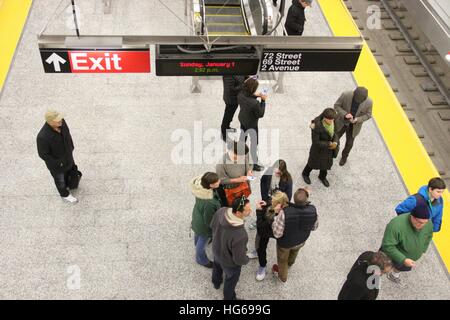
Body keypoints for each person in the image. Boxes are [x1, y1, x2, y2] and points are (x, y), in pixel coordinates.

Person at [381, 196, 433, 284]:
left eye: (425, 223)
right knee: (380, 268)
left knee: (400, 268)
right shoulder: (395, 225)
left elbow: (429, 236)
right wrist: (403, 259)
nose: (422, 225)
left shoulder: (428, 223)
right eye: (419, 222)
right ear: (412, 216)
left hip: (409, 259)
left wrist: (424, 249)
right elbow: (387, 246)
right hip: (392, 256)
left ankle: (394, 275)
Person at [272, 188, 318, 282]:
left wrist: (274, 218)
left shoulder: (284, 213)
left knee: (282, 260)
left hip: (286, 244)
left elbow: (277, 234)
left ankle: (283, 277)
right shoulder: (313, 210)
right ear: (306, 199)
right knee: (295, 250)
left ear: (294, 198)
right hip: (301, 240)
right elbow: (314, 227)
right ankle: (290, 262)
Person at [211, 196, 252, 300]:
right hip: (229, 263)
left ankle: (216, 282)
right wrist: (246, 259)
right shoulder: (240, 235)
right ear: (238, 213)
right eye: (247, 210)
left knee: (217, 266)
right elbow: (239, 259)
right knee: (230, 280)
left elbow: (212, 226)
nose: (250, 211)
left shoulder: (221, 211)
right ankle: (229, 298)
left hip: (216, 250)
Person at [37, 110, 77, 203]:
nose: (61, 121)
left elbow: (68, 134)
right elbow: (43, 154)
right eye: (57, 120)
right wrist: (59, 162)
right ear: (50, 122)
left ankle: (70, 183)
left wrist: (71, 147)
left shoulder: (62, 123)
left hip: (68, 155)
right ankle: (65, 195)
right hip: (57, 165)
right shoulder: (42, 137)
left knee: (70, 170)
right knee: (60, 180)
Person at [334, 86, 373, 166]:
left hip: (354, 126)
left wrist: (357, 119)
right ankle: (331, 153)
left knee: (349, 143)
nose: (358, 102)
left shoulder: (369, 102)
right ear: (353, 94)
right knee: (335, 138)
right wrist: (345, 114)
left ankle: (344, 157)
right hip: (341, 122)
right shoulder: (345, 95)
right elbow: (336, 106)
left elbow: (368, 115)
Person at [254, 191, 289, 281]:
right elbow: (272, 204)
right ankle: (261, 262)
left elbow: (260, 229)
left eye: (273, 202)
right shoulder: (283, 205)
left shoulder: (278, 218)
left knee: (261, 247)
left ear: (279, 205)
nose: (271, 202)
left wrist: (258, 211)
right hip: (269, 229)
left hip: (270, 231)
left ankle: (262, 266)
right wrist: (267, 204)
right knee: (261, 246)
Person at [190, 172, 221, 268]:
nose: (219, 181)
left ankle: (197, 243)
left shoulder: (201, 189)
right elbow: (209, 220)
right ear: (211, 185)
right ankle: (201, 260)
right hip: (203, 225)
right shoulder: (209, 202)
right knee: (202, 241)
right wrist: (215, 229)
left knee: (198, 234)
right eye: (217, 181)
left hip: (197, 217)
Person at [302, 108, 339, 187]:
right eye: (330, 120)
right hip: (318, 150)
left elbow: (335, 133)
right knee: (312, 164)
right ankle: (305, 174)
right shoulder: (317, 126)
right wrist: (329, 143)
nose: (331, 121)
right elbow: (315, 142)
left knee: (325, 165)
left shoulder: (333, 121)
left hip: (328, 150)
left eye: (332, 119)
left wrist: (335, 142)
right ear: (324, 118)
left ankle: (322, 177)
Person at [238, 77, 267, 172]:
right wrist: (263, 100)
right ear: (253, 89)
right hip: (252, 124)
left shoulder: (240, 94)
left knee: (242, 138)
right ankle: (254, 164)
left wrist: (255, 96)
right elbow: (261, 114)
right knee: (254, 143)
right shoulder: (255, 103)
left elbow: (247, 97)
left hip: (242, 119)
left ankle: (239, 154)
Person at [216, 141, 253, 206]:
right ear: (233, 152)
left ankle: (241, 208)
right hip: (232, 191)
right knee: (233, 206)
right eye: (240, 157)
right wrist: (237, 180)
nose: (243, 159)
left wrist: (249, 171)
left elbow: (250, 163)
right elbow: (221, 181)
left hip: (244, 187)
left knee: (242, 202)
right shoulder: (221, 164)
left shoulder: (244, 153)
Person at [221, 75, 246, 142]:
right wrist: (243, 85)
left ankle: (227, 127)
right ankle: (224, 134)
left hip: (237, 98)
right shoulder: (228, 75)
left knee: (230, 115)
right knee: (228, 116)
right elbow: (231, 89)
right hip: (231, 100)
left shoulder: (239, 69)